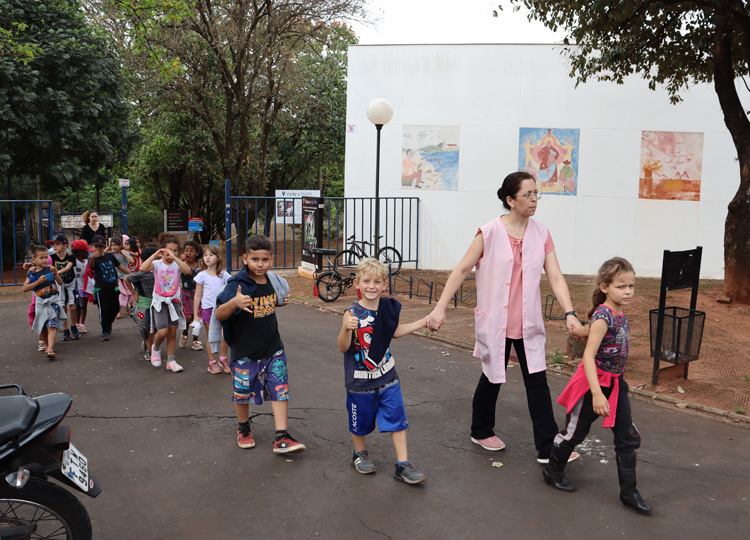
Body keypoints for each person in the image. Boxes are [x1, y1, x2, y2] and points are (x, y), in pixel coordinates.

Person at [426, 171, 582, 464]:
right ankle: (481, 429)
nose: (534, 200)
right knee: (492, 375)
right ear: (510, 200)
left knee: (536, 380)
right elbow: (461, 270)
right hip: (496, 321)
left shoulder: (541, 233)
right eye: (528, 195)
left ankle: (547, 447)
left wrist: (569, 313)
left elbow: (557, 277)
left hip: (527, 322)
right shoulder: (489, 232)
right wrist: (440, 307)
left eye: (537, 193)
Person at [543, 257, 652, 513]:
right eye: (621, 286)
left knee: (626, 438)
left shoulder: (614, 313)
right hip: (594, 385)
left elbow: (591, 330)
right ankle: (553, 470)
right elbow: (589, 356)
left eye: (631, 286)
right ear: (605, 286)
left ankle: (629, 492)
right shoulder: (605, 316)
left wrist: (579, 330)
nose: (627, 292)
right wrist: (596, 395)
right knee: (574, 433)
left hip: (615, 385)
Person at [337, 258, 428, 484]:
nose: (371, 286)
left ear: (384, 285)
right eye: (366, 281)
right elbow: (343, 347)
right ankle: (359, 453)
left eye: (377, 282)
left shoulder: (388, 308)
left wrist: (423, 322)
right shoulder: (351, 312)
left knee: (398, 421)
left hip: (388, 379)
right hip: (360, 383)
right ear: (357, 284)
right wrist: (346, 330)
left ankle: (403, 464)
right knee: (360, 424)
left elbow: (394, 332)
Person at [214, 234, 302, 453]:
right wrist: (234, 302)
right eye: (255, 259)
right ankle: (243, 428)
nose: (260, 264)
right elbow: (219, 313)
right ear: (245, 258)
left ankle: (281, 437)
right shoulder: (237, 284)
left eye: (264, 260)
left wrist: (279, 303)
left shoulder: (273, 281)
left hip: (273, 349)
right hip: (245, 352)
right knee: (242, 393)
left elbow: (267, 306)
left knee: (280, 390)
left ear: (271, 259)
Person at [140, 236, 193, 373]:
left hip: (173, 301)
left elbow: (187, 271)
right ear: (162, 251)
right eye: (169, 250)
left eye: (175, 251)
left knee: (172, 332)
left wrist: (175, 258)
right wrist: (155, 255)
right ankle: (155, 348)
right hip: (160, 302)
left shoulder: (177, 264)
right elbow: (143, 267)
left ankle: (171, 360)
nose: (172, 253)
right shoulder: (157, 264)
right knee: (162, 331)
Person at [22, 245, 65, 359]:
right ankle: (46, 346)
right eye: (41, 258)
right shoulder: (32, 273)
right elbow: (25, 288)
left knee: (52, 325)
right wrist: (38, 282)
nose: (45, 260)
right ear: (34, 259)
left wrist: (56, 274)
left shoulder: (51, 269)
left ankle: (50, 348)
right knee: (43, 327)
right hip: (40, 303)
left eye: (46, 257)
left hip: (53, 301)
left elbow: (60, 283)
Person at [193, 244, 230, 374]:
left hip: (222, 308)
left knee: (225, 334)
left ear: (218, 257)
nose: (207, 258)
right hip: (208, 309)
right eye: (205, 255)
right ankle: (211, 362)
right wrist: (195, 315)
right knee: (211, 336)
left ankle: (223, 358)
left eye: (211, 255)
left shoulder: (224, 275)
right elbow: (197, 295)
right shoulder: (201, 275)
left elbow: (231, 289)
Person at [88, 235, 130, 341]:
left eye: (101, 247)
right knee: (104, 310)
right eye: (96, 247)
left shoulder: (110, 256)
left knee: (115, 308)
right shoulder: (93, 258)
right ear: (92, 246)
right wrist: (93, 257)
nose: (98, 249)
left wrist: (131, 274)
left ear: (104, 247)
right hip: (101, 289)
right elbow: (91, 266)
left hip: (113, 287)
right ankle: (105, 331)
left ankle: (108, 323)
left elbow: (119, 266)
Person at [125, 244, 159, 361]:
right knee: (147, 326)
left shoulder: (160, 270)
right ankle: (150, 349)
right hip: (145, 301)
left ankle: (150, 344)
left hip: (159, 301)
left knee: (158, 327)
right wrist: (134, 293)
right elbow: (127, 279)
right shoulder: (141, 272)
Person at [47, 234, 79, 341]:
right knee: (62, 307)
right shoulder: (51, 258)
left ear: (65, 245)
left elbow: (68, 267)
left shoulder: (71, 256)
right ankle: (65, 330)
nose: (54, 246)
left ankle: (74, 326)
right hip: (58, 285)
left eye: (57, 244)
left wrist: (56, 272)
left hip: (71, 283)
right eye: (53, 244)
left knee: (72, 306)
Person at [179, 240, 203, 351]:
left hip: (197, 295)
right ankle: (184, 333)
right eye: (186, 250)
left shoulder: (201, 266)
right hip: (185, 295)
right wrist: (180, 260)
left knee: (196, 318)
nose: (188, 253)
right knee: (187, 318)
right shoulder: (182, 265)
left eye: (192, 251)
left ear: (197, 253)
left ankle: (195, 340)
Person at [110, 236, 136, 318]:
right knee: (120, 294)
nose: (113, 247)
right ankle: (119, 312)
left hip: (125, 276)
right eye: (112, 245)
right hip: (116, 277)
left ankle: (127, 305)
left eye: (115, 245)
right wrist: (108, 248)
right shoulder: (111, 254)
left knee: (128, 294)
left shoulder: (123, 253)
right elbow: (104, 252)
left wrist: (124, 253)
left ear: (120, 245)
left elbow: (132, 261)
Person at [71, 240, 91, 335]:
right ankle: (76, 323)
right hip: (76, 287)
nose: (88, 253)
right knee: (77, 306)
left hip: (85, 287)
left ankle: (82, 324)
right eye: (86, 251)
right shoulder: (73, 262)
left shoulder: (86, 262)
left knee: (84, 306)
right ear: (79, 253)